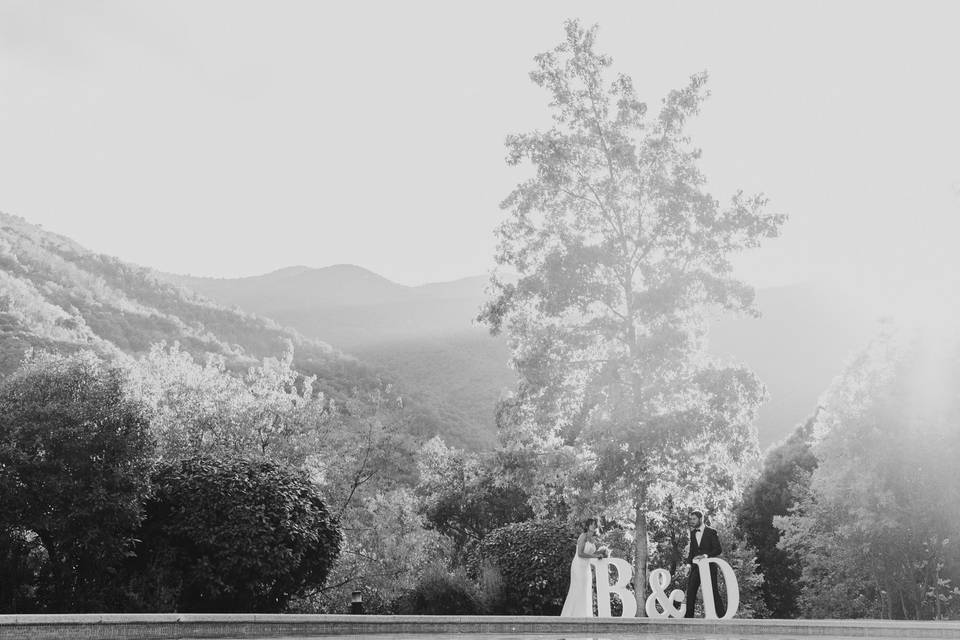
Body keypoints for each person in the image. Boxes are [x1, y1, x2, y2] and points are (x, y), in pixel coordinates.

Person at [560, 517, 608, 617]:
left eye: (595, 524)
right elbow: (580, 554)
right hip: (578, 565)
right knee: (577, 588)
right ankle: (571, 615)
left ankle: (584, 615)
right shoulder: (583, 536)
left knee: (585, 589)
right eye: (591, 524)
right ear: (587, 526)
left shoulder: (592, 539)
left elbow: (591, 552)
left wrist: (602, 551)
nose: (593, 526)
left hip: (586, 567)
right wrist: (595, 556)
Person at [684, 509, 725, 618]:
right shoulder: (693, 533)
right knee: (691, 591)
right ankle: (688, 619)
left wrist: (705, 556)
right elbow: (692, 552)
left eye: (694, 519)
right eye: (690, 519)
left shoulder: (711, 532)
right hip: (696, 568)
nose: (691, 521)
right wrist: (688, 565)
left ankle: (723, 617)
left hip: (709, 567)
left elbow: (718, 549)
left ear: (701, 519)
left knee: (713, 592)